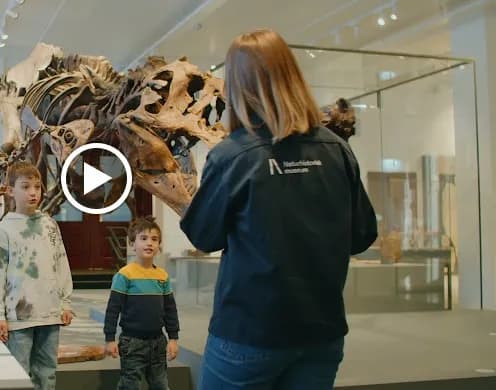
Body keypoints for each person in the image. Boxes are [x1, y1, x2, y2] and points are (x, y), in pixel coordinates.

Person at [179, 28, 378, 390]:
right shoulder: (337, 150)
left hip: (249, 333)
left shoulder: (232, 155)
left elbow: (203, 236)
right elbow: (363, 235)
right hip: (322, 333)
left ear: (238, 86)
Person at [0, 161, 74, 390]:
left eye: (37, 186)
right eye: (25, 187)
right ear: (10, 190)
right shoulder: (2, 230)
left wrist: (65, 302)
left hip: (50, 313)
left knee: (47, 374)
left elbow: (61, 262)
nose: (33, 192)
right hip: (19, 317)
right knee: (19, 375)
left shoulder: (50, 225)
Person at [103, 216, 179, 390]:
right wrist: (109, 338)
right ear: (132, 244)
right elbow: (113, 310)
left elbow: (170, 310)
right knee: (130, 385)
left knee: (161, 384)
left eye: (154, 239)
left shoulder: (162, 276)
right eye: (143, 238)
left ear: (159, 245)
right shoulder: (124, 275)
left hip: (158, 342)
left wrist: (173, 338)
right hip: (132, 343)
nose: (149, 243)